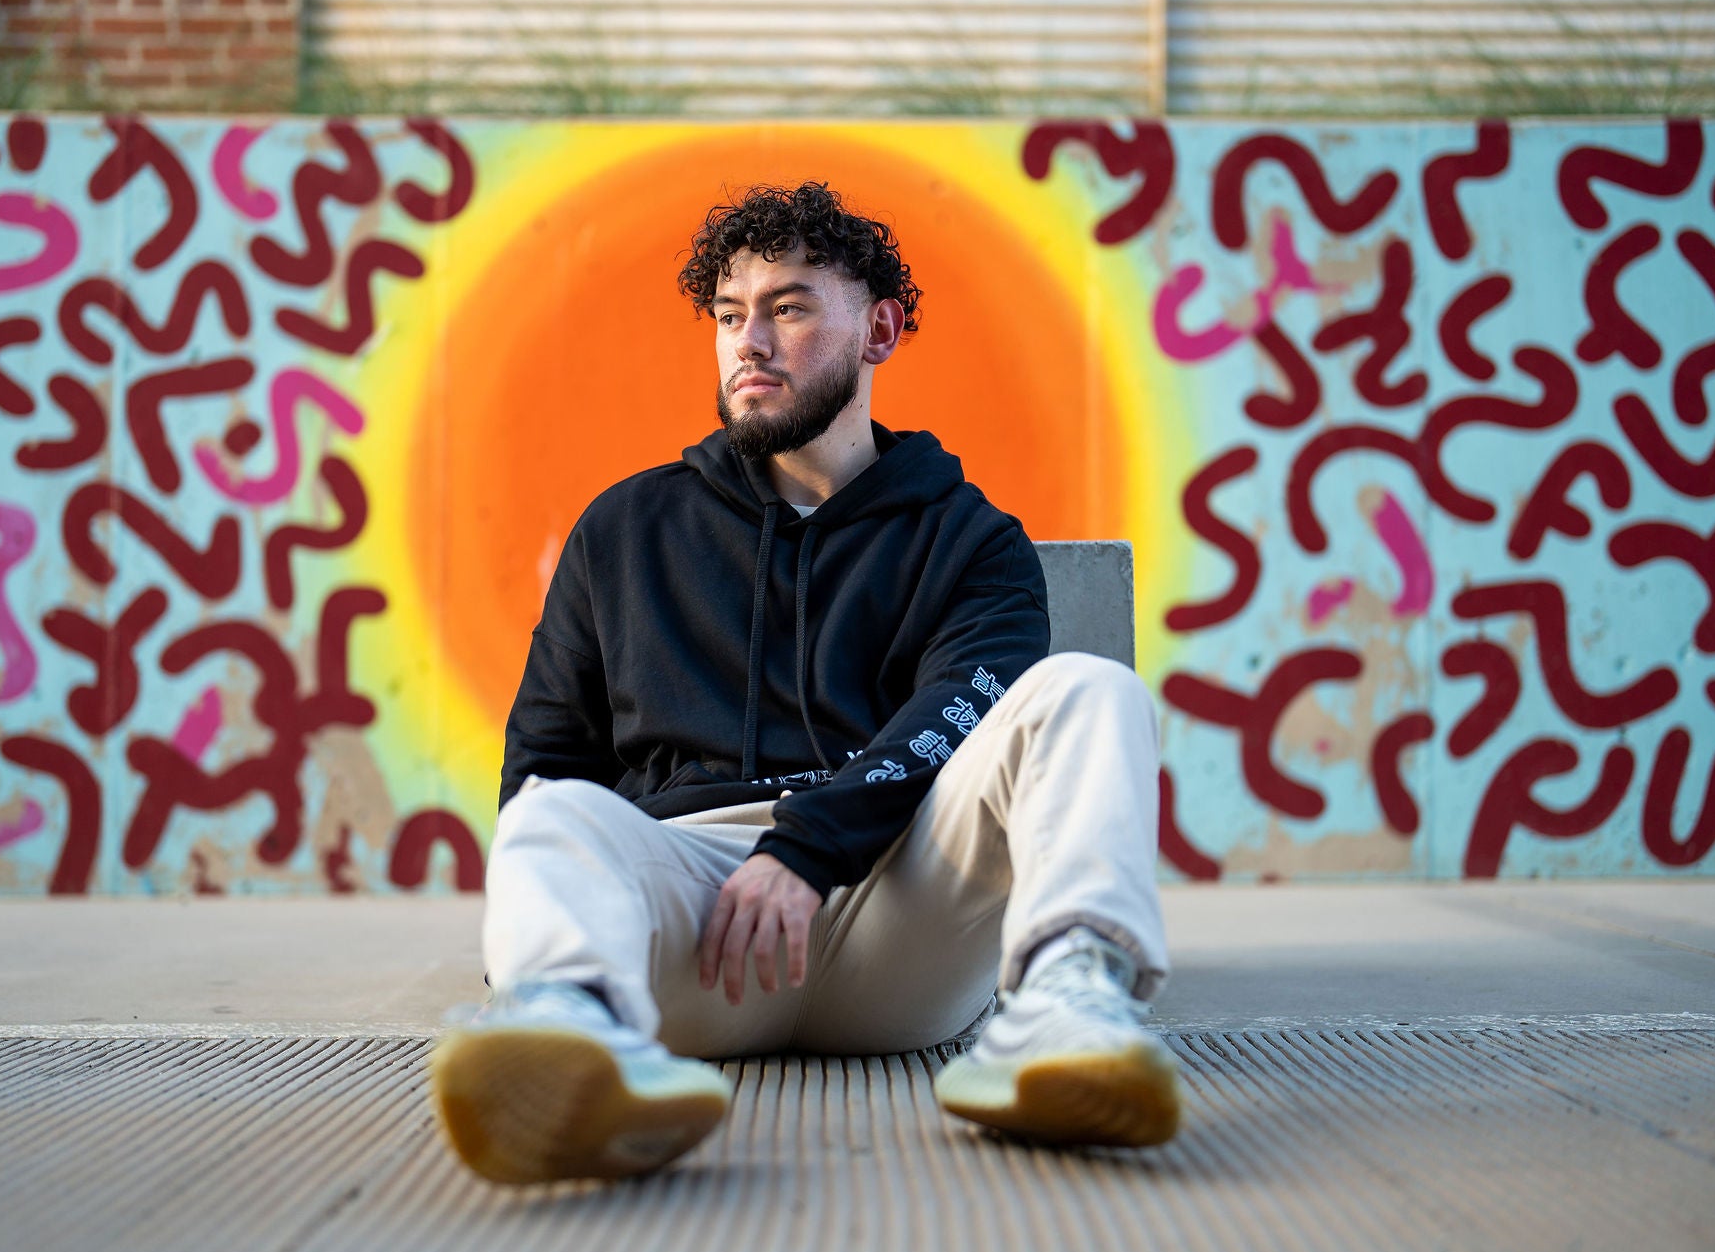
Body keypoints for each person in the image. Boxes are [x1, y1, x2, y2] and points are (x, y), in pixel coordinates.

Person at [432, 182, 1175, 1185]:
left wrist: (806, 850)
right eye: (730, 316)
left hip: (890, 916)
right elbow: (548, 761)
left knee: (1088, 690)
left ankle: (1069, 1009)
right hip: (695, 926)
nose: (750, 343)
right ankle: (572, 1026)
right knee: (547, 813)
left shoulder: (969, 542)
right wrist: (556, 917)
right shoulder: (623, 532)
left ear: (877, 330)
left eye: (787, 308)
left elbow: (954, 721)